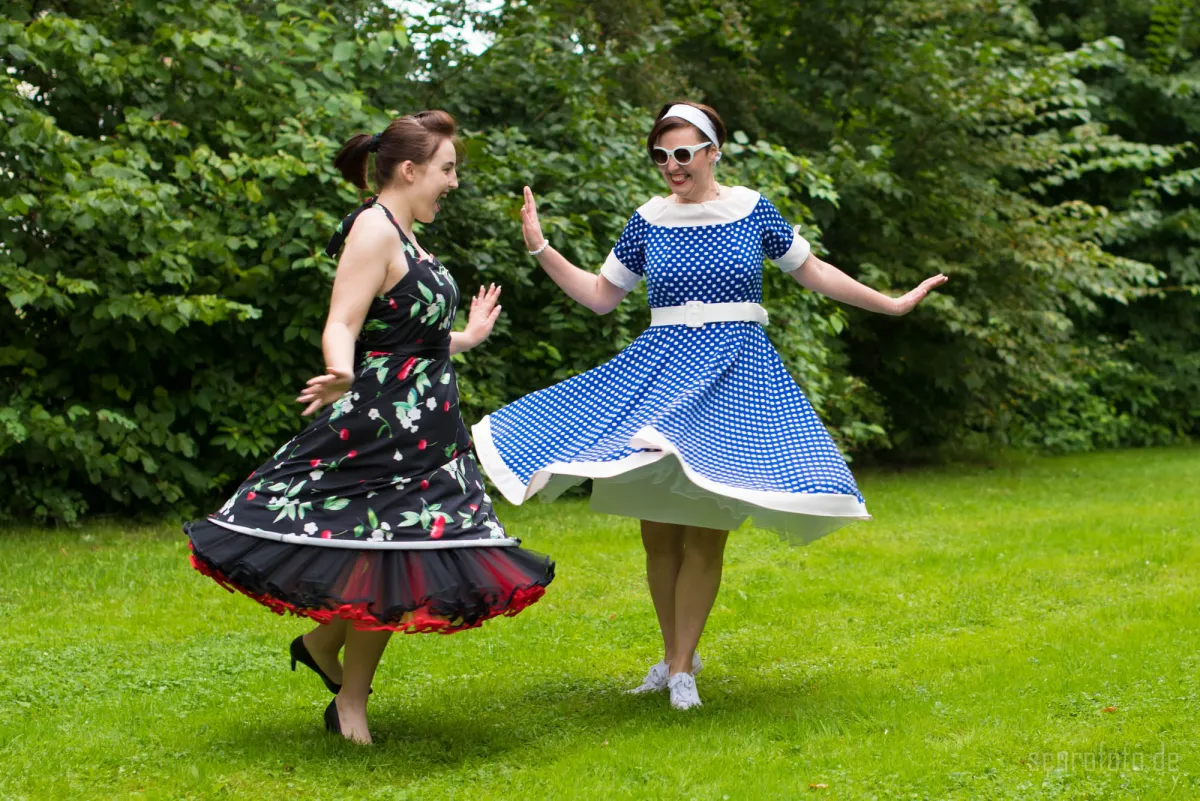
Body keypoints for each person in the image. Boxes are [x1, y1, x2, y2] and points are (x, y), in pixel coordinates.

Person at [471, 101, 945, 711]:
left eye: (683, 153)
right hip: (659, 377)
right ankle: (676, 657)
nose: (671, 166)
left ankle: (681, 671)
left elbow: (815, 273)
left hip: (734, 381)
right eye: (660, 155)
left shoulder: (752, 210)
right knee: (659, 536)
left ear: (713, 152)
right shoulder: (647, 220)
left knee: (705, 533)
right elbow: (600, 296)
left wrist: (893, 303)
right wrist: (541, 248)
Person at [184, 110, 555, 743]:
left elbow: (410, 335)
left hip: (428, 428)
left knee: (393, 553)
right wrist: (339, 369)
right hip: (384, 424)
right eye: (447, 169)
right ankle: (350, 701)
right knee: (385, 554)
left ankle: (323, 649)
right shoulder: (373, 230)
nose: (453, 182)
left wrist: (467, 336)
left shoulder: (406, 235)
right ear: (409, 170)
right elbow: (343, 321)